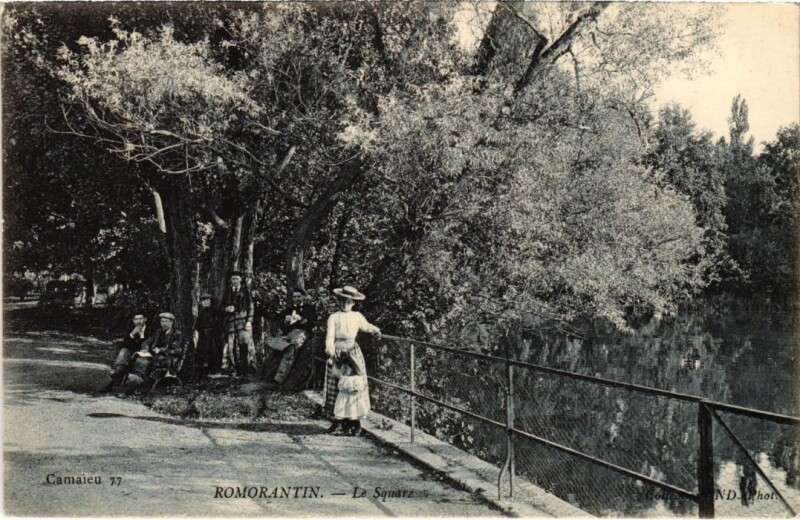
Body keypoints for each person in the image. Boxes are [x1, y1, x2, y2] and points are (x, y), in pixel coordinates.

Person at [324, 286, 381, 435]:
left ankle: (355, 421)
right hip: (338, 351)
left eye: (348, 302)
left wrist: (375, 330)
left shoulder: (356, 316)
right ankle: (338, 420)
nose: (345, 305)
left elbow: (366, 326)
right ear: (339, 302)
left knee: (356, 384)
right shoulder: (334, 317)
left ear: (353, 303)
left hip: (353, 352)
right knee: (337, 385)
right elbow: (330, 336)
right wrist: (330, 350)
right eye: (342, 301)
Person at [266, 288, 317, 387]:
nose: (296, 299)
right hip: (288, 334)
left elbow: (312, 323)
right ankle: (286, 346)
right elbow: (282, 328)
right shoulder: (288, 310)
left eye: (299, 296)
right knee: (268, 339)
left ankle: (279, 379)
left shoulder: (309, 308)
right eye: (294, 297)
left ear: (303, 297)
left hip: (303, 333)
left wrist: (301, 319)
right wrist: (285, 321)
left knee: (293, 347)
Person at [100, 311, 150, 393]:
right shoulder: (132, 329)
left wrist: (141, 336)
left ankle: (119, 379)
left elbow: (147, 343)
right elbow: (124, 344)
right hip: (133, 352)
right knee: (124, 350)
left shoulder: (150, 330)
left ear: (145, 319)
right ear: (133, 321)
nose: (138, 321)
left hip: (145, 354)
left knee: (139, 359)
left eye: (140, 319)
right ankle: (118, 371)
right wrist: (132, 334)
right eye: (136, 319)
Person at [221, 271, 256, 374]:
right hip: (230, 322)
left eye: (236, 278)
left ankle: (245, 369)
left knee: (244, 345)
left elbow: (250, 307)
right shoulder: (227, 292)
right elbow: (221, 307)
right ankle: (234, 368)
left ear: (240, 279)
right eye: (233, 279)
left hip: (242, 321)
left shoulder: (245, 291)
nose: (234, 281)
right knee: (231, 346)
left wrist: (249, 321)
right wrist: (226, 309)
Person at [332, 355, 370, 435]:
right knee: (342, 412)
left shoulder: (356, 378)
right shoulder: (343, 377)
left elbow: (359, 388)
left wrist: (352, 389)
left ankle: (356, 428)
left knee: (353, 414)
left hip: (352, 398)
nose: (345, 371)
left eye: (347, 368)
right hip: (343, 398)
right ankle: (343, 427)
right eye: (343, 368)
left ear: (352, 369)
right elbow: (340, 386)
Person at [194, 294, 221, 378]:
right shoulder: (201, 313)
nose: (206, 302)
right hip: (203, 335)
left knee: (213, 350)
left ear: (211, 302)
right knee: (203, 351)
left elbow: (219, 324)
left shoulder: (215, 311)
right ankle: (204, 369)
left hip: (213, 334)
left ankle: (214, 369)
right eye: (204, 301)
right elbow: (197, 326)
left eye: (208, 301)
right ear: (202, 302)